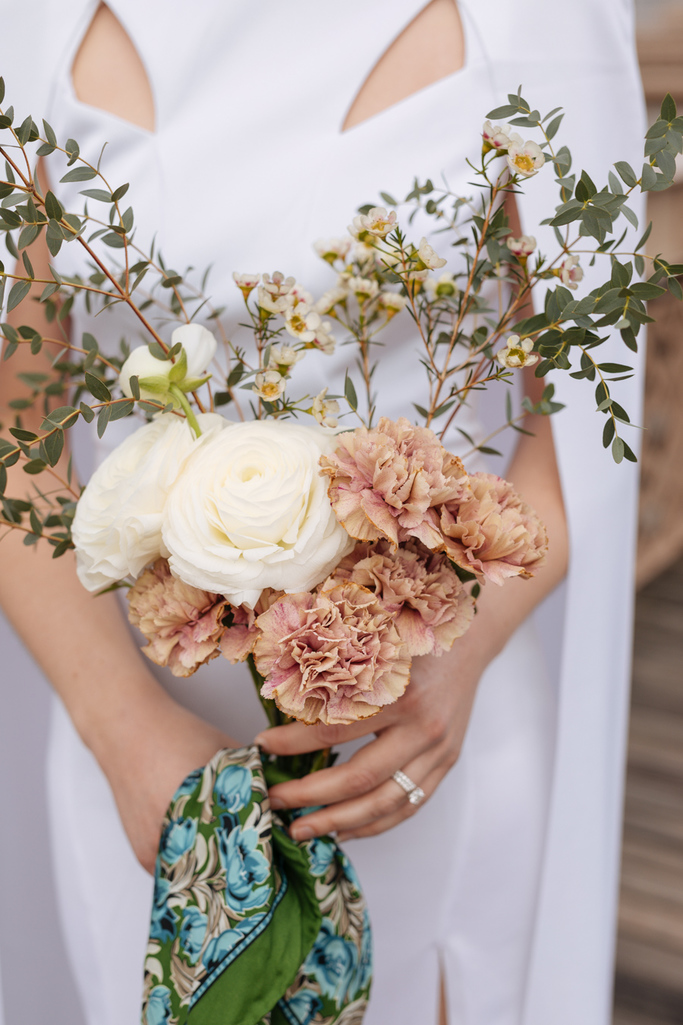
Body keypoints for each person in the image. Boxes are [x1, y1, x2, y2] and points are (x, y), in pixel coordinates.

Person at [0, 2, 645, 1023]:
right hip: (134, 753)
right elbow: (14, 440)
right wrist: (125, 734)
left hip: (417, 734)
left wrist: (452, 663)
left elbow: (579, 436)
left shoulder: (538, 17)